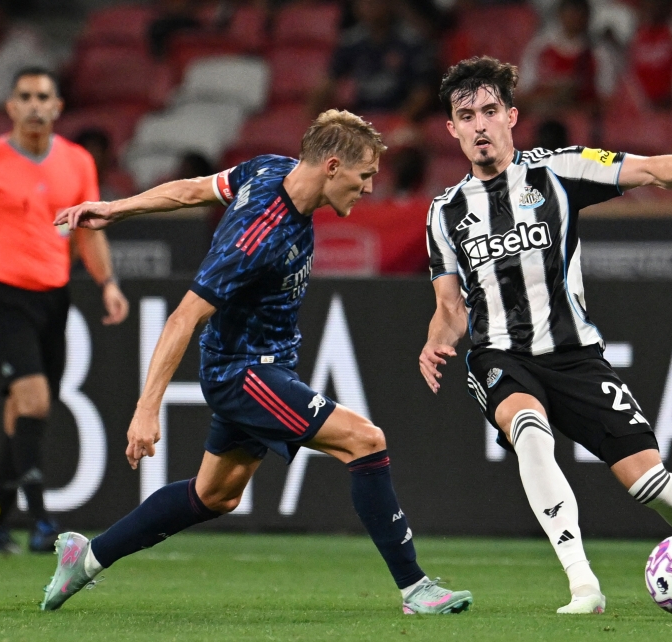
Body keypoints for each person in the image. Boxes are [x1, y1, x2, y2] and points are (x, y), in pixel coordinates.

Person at [39, 109, 474, 616]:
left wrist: (116, 209)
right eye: (365, 175)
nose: (370, 186)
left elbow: (193, 190)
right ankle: (415, 588)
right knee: (365, 441)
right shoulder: (256, 235)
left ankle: (85, 558)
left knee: (214, 496)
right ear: (332, 166)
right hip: (243, 372)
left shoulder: (269, 168)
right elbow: (182, 318)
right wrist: (146, 409)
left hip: (262, 365)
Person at [419, 56, 672, 615]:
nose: (479, 124)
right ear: (451, 129)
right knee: (527, 430)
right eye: (466, 114)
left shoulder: (561, 169)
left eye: (490, 111)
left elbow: (646, 169)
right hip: (501, 354)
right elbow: (450, 306)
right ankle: (583, 585)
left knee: (651, 482)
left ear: (511, 117)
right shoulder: (445, 213)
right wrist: (437, 339)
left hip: (575, 356)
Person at [0, 67, 130, 554]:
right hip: (0, 297)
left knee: (21, 411)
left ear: (58, 107)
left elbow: (88, 232)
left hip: (53, 298)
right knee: (36, 400)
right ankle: (41, 519)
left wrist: (107, 283)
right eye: (26, 96)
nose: (36, 104)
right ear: (11, 107)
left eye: (44, 96)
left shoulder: (78, 162)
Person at [309, 0, 437, 121]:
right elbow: (328, 82)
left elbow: (423, 92)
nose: (368, 6)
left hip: (401, 115)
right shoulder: (351, 41)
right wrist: (313, 119)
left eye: (374, 2)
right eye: (363, 2)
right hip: (364, 115)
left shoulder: (411, 41)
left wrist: (400, 121)